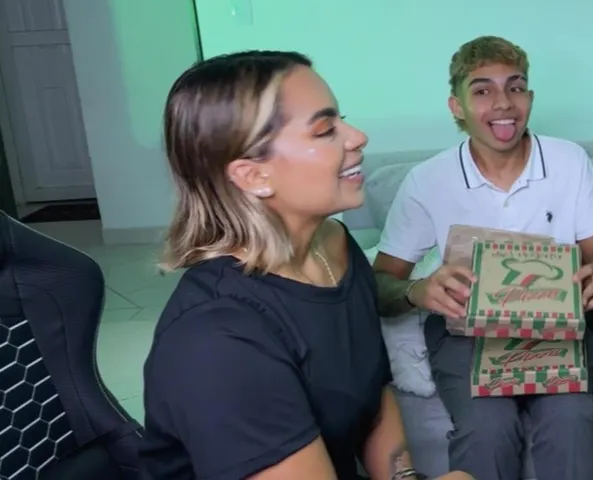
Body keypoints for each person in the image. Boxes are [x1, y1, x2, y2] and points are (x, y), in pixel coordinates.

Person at [140, 51, 433, 480]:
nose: (358, 137)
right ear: (254, 176)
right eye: (325, 129)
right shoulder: (217, 339)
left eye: (341, 120)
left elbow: (373, 394)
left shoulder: (334, 245)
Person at [372, 36, 593, 480]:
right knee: (488, 430)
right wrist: (417, 291)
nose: (504, 103)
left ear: (530, 97)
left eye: (516, 87)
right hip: (465, 335)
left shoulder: (568, 160)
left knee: (571, 424)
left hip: (555, 330)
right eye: (483, 90)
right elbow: (379, 284)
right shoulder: (427, 180)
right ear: (457, 106)